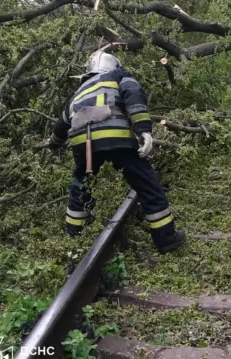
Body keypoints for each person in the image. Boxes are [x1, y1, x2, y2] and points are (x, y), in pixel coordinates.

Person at [48, 50, 186, 254]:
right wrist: (143, 130)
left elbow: (61, 126)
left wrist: (52, 144)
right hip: (116, 137)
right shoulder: (120, 75)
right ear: (114, 66)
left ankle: (73, 236)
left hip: (82, 143)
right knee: (146, 184)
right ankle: (166, 239)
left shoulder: (77, 93)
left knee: (81, 187)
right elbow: (134, 97)